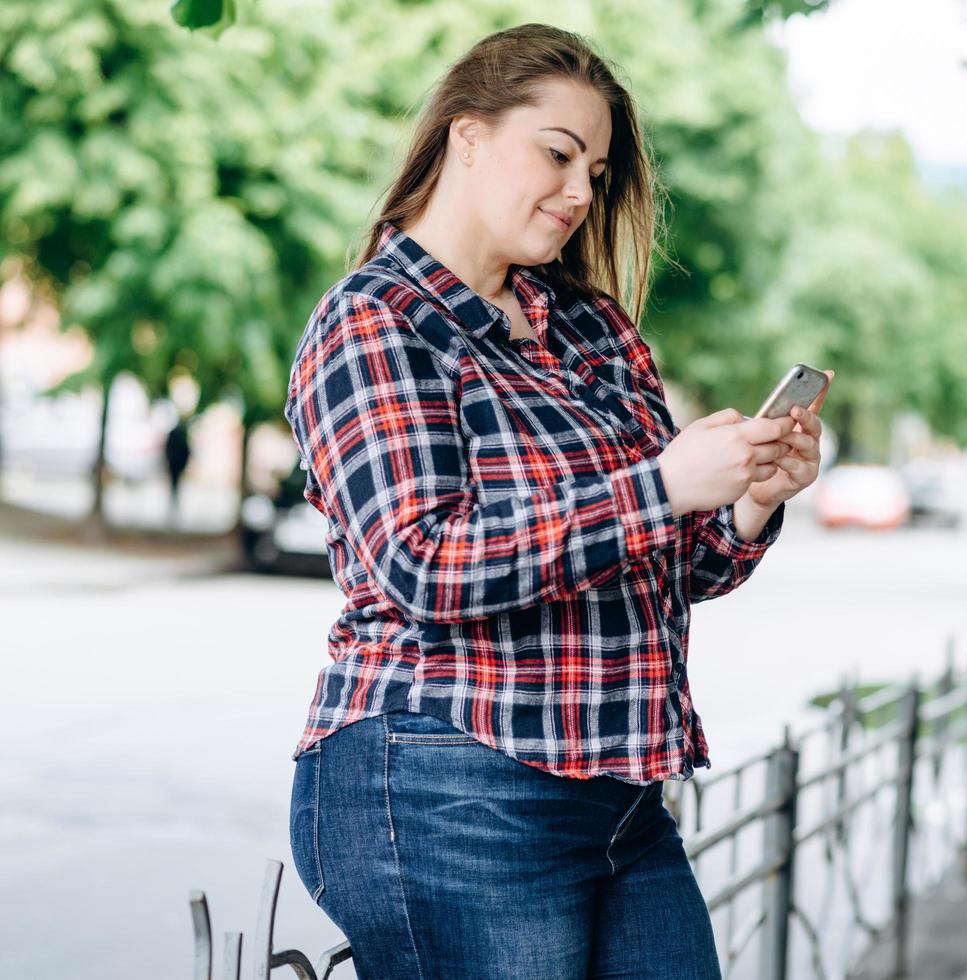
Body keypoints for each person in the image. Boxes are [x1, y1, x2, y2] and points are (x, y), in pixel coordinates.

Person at [283, 23, 831, 980]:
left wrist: (745, 501)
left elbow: (678, 562)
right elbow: (423, 563)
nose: (582, 191)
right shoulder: (373, 320)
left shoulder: (589, 325)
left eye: (598, 168)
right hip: (447, 782)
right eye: (558, 153)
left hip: (619, 794)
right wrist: (660, 486)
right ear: (467, 136)